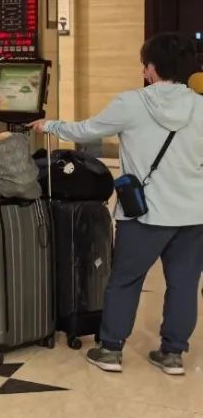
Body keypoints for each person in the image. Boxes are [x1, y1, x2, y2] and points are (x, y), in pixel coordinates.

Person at [31, 33, 203, 376]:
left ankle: (110, 350)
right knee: (184, 284)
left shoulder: (131, 103)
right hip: (194, 214)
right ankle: (172, 354)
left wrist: (50, 125)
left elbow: (87, 130)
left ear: (150, 68)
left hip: (144, 213)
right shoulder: (200, 107)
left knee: (125, 279)